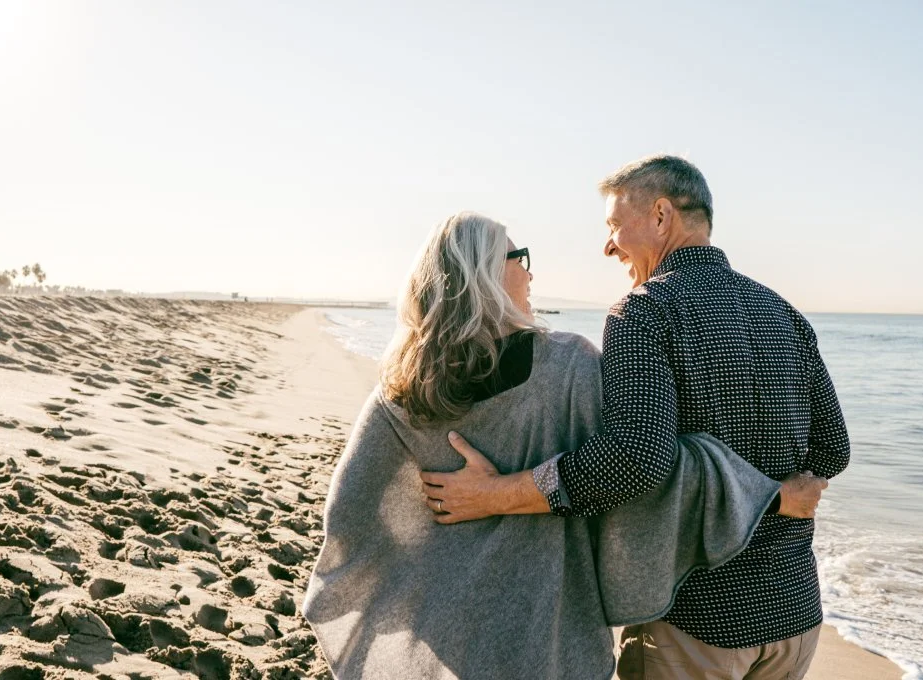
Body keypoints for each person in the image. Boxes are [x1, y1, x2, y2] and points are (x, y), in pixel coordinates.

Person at [302, 212, 824, 680]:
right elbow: (647, 466)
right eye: (519, 257)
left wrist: (417, 584)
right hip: (552, 633)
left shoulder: (400, 387)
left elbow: (349, 522)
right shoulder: (570, 369)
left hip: (452, 634)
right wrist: (770, 494)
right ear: (485, 273)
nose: (530, 272)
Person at [425, 156, 850, 680]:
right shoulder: (783, 312)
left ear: (660, 215)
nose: (608, 245)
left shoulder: (644, 309)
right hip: (794, 613)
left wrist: (495, 495)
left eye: (613, 226)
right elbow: (834, 450)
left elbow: (635, 457)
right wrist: (777, 495)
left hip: (694, 619)